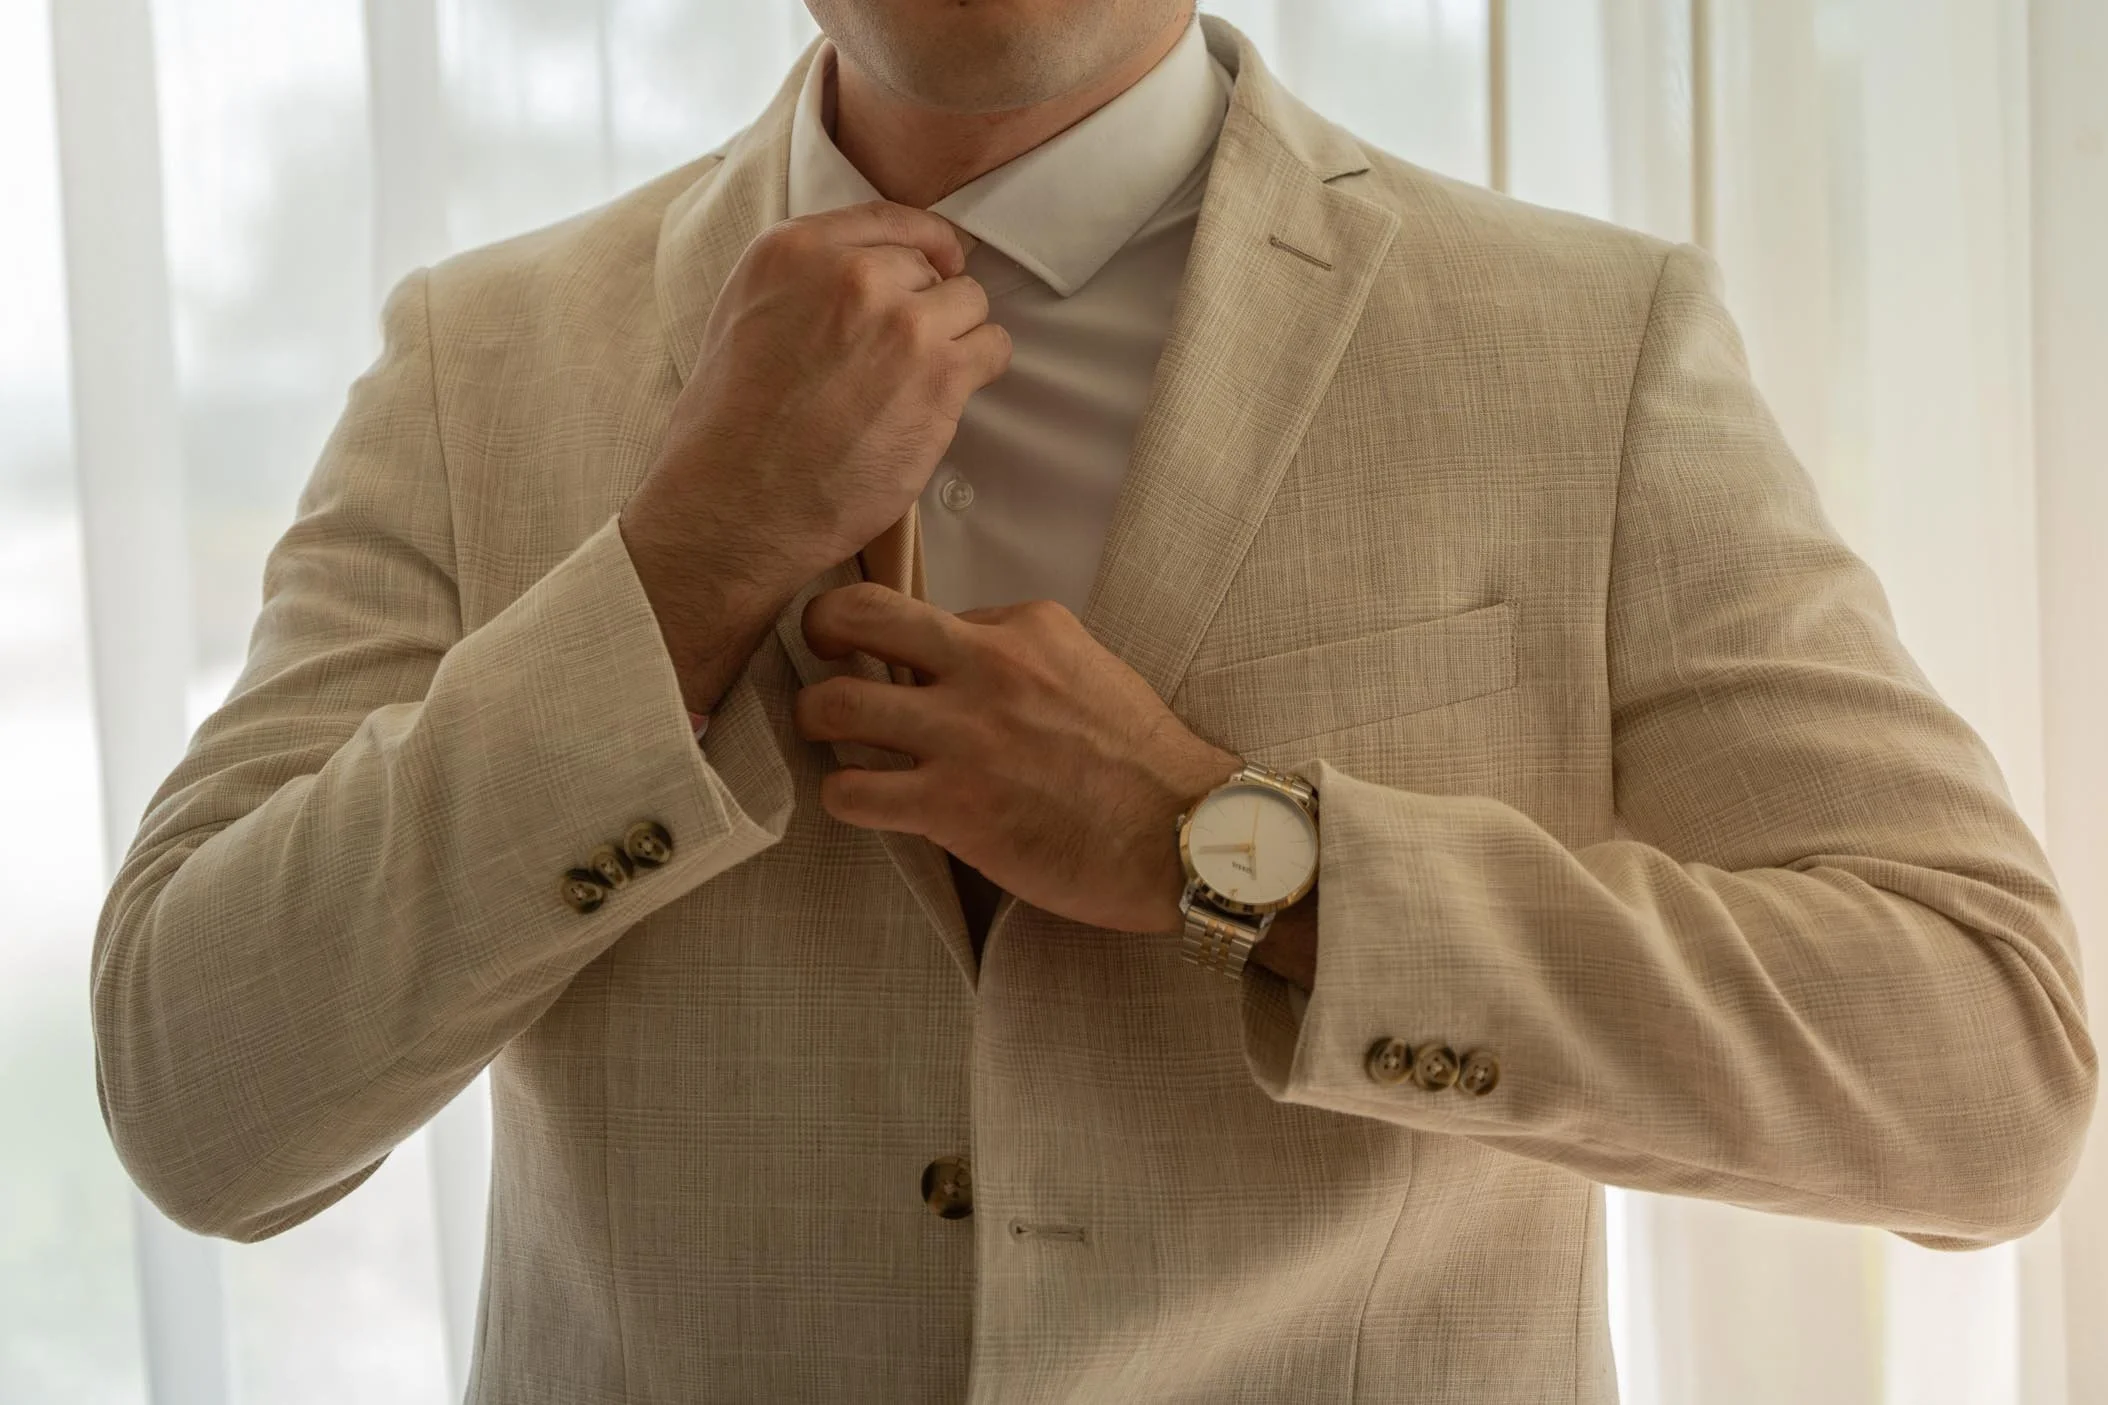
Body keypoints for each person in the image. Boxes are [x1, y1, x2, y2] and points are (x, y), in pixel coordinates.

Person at [91, 2, 2096, 1400]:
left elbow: (1983, 1077)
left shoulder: (1582, 347)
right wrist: (685, 559)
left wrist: (1237, 852)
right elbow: (204, 1103)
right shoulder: (478, 363)